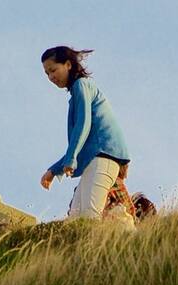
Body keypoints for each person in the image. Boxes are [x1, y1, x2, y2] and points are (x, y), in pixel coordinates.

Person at [37, 46, 133, 219]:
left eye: (53, 70)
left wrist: (71, 157)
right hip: (96, 158)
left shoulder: (82, 85)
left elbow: (83, 123)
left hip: (104, 157)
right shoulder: (77, 93)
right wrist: (54, 170)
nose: (51, 77)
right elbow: (83, 142)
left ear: (67, 64)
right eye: (47, 74)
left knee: (89, 214)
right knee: (75, 218)